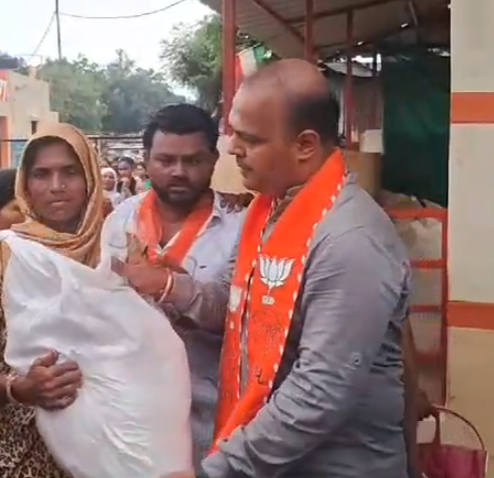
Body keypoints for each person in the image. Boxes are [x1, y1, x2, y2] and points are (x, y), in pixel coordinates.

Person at [163, 59, 412, 478]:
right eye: (232, 133)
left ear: (305, 145)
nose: (232, 149)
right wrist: (168, 284)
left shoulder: (350, 240)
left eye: (249, 139)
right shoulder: (265, 214)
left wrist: (217, 471)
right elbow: (230, 304)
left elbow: (320, 391)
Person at [0, 123, 102, 478]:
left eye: (70, 172)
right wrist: (20, 388)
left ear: (90, 178)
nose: (57, 186)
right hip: (27, 457)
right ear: (25, 184)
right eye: (41, 174)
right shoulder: (3, 257)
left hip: (110, 452)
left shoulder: (118, 249)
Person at [108, 103, 246, 467]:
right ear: (146, 160)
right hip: (127, 412)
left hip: (205, 415)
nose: (179, 172)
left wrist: (167, 284)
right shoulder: (120, 219)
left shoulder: (241, 227)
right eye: (166, 160)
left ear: (214, 159)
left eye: (193, 161)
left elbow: (236, 313)